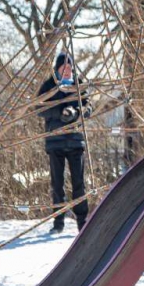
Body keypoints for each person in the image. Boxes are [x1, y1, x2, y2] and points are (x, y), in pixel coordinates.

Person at [37, 52, 92, 234]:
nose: (67, 71)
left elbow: (88, 107)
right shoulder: (49, 86)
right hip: (55, 142)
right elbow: (39, 109)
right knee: (57, 184)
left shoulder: (79, 85)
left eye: (70, 68)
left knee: (79, 184)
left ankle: (82, 222)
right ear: (57, 69)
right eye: (64, 68)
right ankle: (58, 222)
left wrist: (76, 113)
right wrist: (60, 112)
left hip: (76, 141)